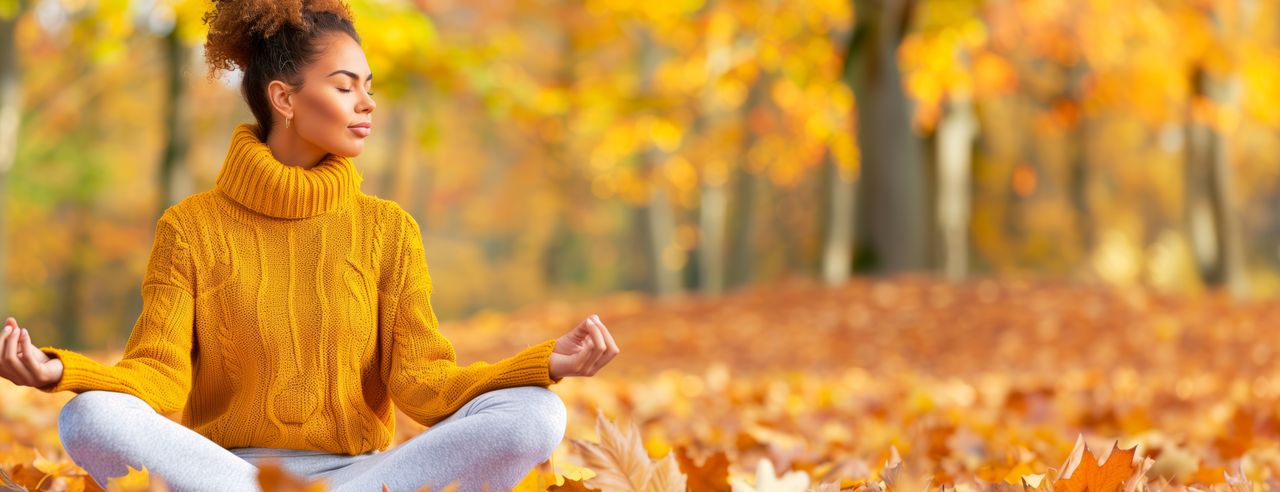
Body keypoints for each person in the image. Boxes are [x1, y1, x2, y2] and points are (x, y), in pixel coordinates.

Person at [0, 0, 619, 490]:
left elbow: (425, 383)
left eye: (368, 86)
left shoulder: (388, 230)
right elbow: (158, 378)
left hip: (365, 477)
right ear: (285, 98)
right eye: (346, 85)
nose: (368, 102)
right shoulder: (190, 227)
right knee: (88, 418)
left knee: (537, 414)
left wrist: (546, 364)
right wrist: (62, 371)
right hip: (228, 477)